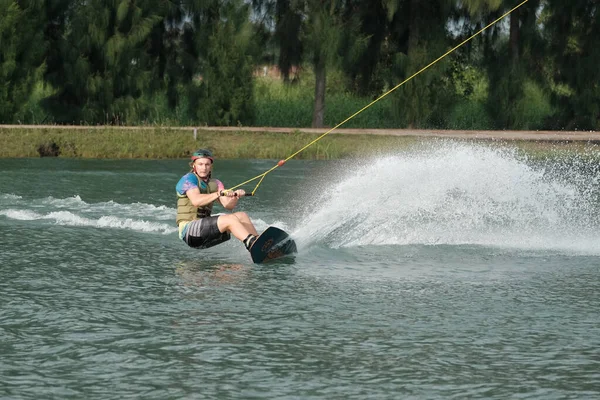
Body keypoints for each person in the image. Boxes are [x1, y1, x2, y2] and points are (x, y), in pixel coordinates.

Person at [176, 149, 259, 251]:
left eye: (207, 165)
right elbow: (196, 201)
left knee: (242, 216)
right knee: (230, 219)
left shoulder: (216, 183)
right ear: (194, 165)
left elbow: (228, 206)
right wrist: (218, 194)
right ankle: (252, 244)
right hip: (190, 232)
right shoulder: (188, 179)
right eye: (200, 164)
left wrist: (235, 196)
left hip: (205, 234)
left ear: (211, 167)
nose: (204, 168)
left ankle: (261, 243)